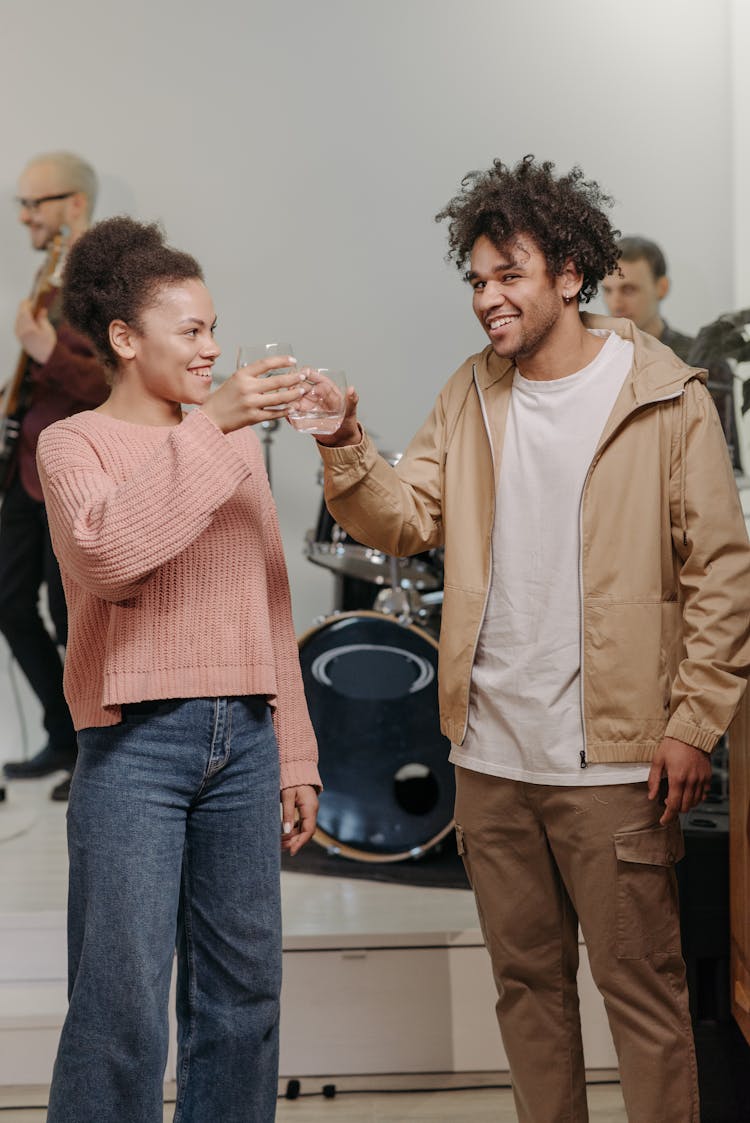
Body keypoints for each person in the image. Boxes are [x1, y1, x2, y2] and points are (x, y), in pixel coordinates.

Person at [313, 156, 750, 1122]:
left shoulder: (668, 394)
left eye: (507, 274)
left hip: (617, 764)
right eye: (476, 279)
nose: (487, 299)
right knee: (527, 993)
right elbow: (407, 516)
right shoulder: (470, 392)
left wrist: (693, 722)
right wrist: (343, 440)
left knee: (644, 996)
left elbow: (721, 571)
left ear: (568, 274)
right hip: (492, 756)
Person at [36, 216, 320, 1123]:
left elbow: (272, 599)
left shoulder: (232, 444)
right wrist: (217, 426)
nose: (213, 347)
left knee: (244, 999)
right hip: (132, 749)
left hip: (245, 738)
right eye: (191, 330)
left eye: (213, 326)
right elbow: (111, 556)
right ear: (125, 338)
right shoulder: (72, 445)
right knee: (120, 1007)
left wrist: (297, 752)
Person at [1, 152, 108, 801]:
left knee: (76, 619)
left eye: (34, 203)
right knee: (9, 599)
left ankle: (93, 751)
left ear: (73, 205)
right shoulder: (52, 271)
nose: (24, 216)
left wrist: (44, 350)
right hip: (25, 468)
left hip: (72, 471)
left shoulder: (104, 276)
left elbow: (107, 381)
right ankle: (62, 733)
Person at [602, 235, 739, 467]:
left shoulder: (703, 361)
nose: (615, 302)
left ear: (661, 287)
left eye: (629, 289)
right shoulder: (596, 361)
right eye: (607, 290)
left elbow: (725, 460)